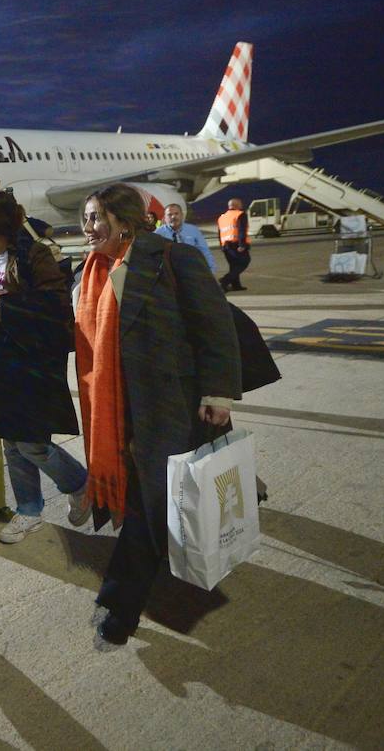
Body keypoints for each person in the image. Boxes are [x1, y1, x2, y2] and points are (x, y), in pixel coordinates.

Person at [74, 184, 239, 646]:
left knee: (147, 511)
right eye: (83, 219)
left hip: (168, 407)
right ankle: (136, 587)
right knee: (146, 506)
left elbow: (215, 325)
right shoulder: (92, 271)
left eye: (94, 218)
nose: (86, 229)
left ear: (124, 221)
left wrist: (218, 392)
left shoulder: (171, 258)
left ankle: (120, 610)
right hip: (120, 408)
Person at [0, 188, 87, 544]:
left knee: (31, 444)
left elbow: (56, 307)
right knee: (11, 442)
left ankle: (81, 484)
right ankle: (29, 510)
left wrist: (8, 310)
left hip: (29, 364)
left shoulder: (33, 255)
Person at [155, 202, 219, 273]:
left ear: (182, 215)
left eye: (176, 214)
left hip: (191, 271)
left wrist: (211, 269)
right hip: (169, 274)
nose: (173, 217)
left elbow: (204, 251)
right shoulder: (158, 234)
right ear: (165, 218)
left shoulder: (193, 230)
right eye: (170, 214)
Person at [217, 197, 252, 291]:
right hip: (236, 244)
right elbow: (242, 230)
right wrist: (242, 245)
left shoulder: (222, 217)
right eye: (240, 204)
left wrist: (222, 246)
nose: (242, 205)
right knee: (244, 262)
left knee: (234, 266)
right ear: (237, 205)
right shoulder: (240, 214)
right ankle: (224, 280)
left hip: (226, 246)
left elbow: (219, 233)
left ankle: (236, 285)